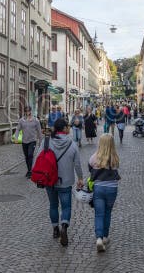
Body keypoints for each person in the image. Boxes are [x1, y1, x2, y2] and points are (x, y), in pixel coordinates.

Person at [46, 117, 84, 247]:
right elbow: (77, 164)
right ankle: (64, 226)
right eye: (67, 126)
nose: (69, 127)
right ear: (64, 129)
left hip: (50, 180)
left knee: (53, 205)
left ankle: (55, 230)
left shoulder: (47, 141)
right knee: (66, 206)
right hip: (66, 180)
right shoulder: (71, 143)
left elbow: (39, 158)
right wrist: (80, 178)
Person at [80, 134, 121, 252]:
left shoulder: (94, 157)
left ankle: (98, 238)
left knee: (99, 214)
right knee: (108, 213)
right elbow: (116, 166)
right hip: (112, 188)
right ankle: (105, 237)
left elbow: (90, 168)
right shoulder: (115, 158)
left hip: (98, 188)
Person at [14, 107, 43, 178]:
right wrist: (16, 138)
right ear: (25, 112)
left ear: (31, 111)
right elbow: (18, 129)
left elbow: (39, 131)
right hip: (24, 141)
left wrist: (40, 141)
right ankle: (29, 169)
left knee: (30, 155)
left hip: (32, 140)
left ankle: (30, 171)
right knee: (26, 156)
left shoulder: (36, 120)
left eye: (28, 111)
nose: (27, 112)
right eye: (26, 111)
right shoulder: (22, 120)